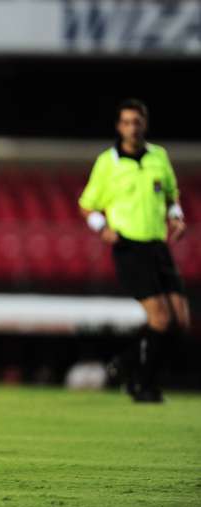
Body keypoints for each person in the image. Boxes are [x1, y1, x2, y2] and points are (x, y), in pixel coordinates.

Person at [79, 98, 191, 403]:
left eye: (137, 122)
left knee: (180, 320)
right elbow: (87, 205)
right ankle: (143, 384)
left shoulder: (158, 157)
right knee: (160, 319)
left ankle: (125, 365)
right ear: (119, 127)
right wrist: (102, 227)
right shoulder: (109, 162)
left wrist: (176, 216)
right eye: (126, 122)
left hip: (158, 245)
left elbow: (170, 194)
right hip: (130, 247)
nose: (132, 128)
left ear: (145, 124)